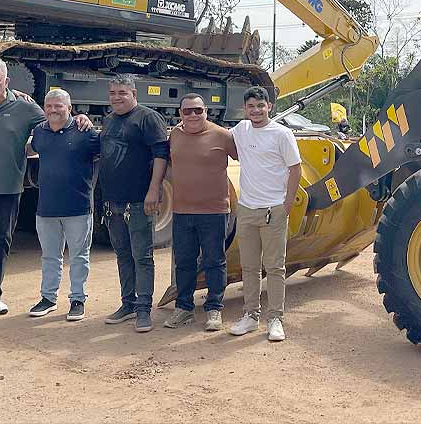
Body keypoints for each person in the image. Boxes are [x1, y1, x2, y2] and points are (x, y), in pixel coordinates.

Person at [0, 57, 90, 320]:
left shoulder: (25, 108)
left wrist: (81, 119)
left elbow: (56, 119)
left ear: (6, 81)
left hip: (9, 188)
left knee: (1, 242)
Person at [228, 86, 302, 342]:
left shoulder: (282, 134)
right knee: (249, 267)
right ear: (245, 108)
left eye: (261, 106)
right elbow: (216, 135)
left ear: (269, 106)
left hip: (274, 210)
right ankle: (250, 315)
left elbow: (295, 169)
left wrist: (287, 205)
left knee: (274, 267)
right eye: (251, 106)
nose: (256, 111)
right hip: (247, 210)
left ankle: (275, 318)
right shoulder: (240, 130)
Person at [100, 75, 169, 333]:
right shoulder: (109, 120)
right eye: (113, 93)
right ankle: (127, 304)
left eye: (122, 93)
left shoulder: (148, 118)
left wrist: (154, 190)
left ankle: (143, 309)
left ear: (133, 93)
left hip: (139, 201)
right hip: (113, 202)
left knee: (142, 256)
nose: (116, 97)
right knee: (122, 254)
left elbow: (161, 154)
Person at [26, 89, 100, 322]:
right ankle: (48, 298)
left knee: (79, 256)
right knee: (50, 256)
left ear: (70, 108)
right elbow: (30, 149)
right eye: (49, 106)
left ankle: (78, 300)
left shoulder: (84, 131)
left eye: (59, 106)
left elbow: (102, 153)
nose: (54, 110)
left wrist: (86, 120)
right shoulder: (40, 132)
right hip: (46, 207)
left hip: (78, 207)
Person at [164, 94, 236, 331]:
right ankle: (183, 308)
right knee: (184, 262)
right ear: (180, 114)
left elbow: (248, 157)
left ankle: (214, 309)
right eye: (187, 111)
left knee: (214, 261)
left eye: (198, 110)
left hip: (214, 212)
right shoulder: (175, 134)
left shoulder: (222, 136)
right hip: (182, 211)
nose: (193, 115)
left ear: (206, 111)